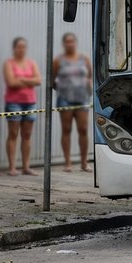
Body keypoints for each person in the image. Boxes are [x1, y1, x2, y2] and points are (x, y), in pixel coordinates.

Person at [53, 32, 92, 172]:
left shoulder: (84, 59)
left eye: (72, 41)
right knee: (66, 129)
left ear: (76, 43)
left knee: (83, 130)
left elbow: (90, 76)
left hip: (82, 99)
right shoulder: (58, 60)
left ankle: (84, 161)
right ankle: (68, 162)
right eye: (67, 41)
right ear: (64, 44)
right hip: (65, 99)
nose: (70, 44)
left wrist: (89, 86)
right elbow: (53, 80)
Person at [3, 37, 42, 176]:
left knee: (27, 135)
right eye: (19, 47)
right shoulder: (9, 63)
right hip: (14, 102)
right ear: (14, 48)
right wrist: (29, 81)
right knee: (13, 134)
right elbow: (11, 82)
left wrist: (22, 79)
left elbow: (38, 80)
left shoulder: (31, 63)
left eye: (23, 47)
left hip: (30, 102)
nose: (21, 49)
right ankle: (12, 167)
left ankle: (26, 166)